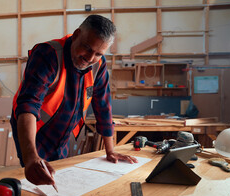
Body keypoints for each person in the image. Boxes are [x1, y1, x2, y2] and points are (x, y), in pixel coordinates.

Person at [10, 14, 137, 186]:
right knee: (35, 177)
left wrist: (110, 150)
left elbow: (103, 106)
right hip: (33, 130)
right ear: (76, 35)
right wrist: (30, 156)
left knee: (56, 175)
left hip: (63, 132)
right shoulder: (48, 54)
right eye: (87, 48)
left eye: (98, 54)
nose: (90, 58)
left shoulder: (98, 65)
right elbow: (28, 105)